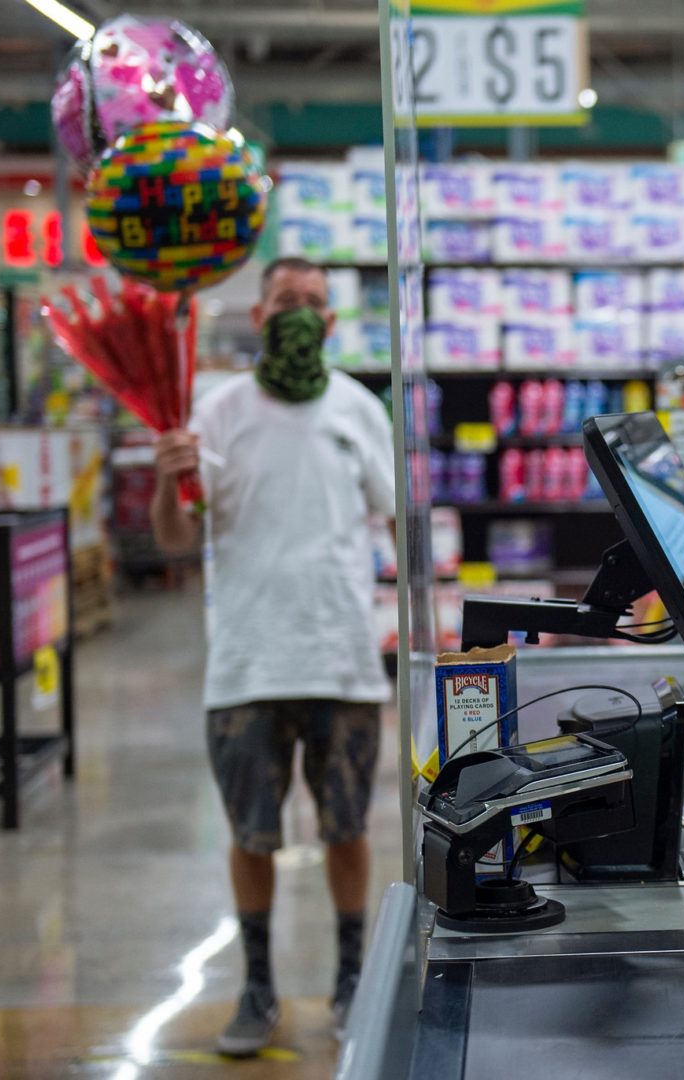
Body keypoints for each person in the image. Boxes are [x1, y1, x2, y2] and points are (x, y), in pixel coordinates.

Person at [152, 257, 396, 1055]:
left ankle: (353, 977)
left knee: (347, 829)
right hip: (247, 665)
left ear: (332, 324)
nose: (299, 314)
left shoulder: (360, 410)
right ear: (258, 316)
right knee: (251, 835)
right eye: (285, 301)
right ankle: (256, 988)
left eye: (313, 304)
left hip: (342, 660)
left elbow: (397, 525)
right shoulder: (215, 415)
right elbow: (177, 539)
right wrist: (166, 483)